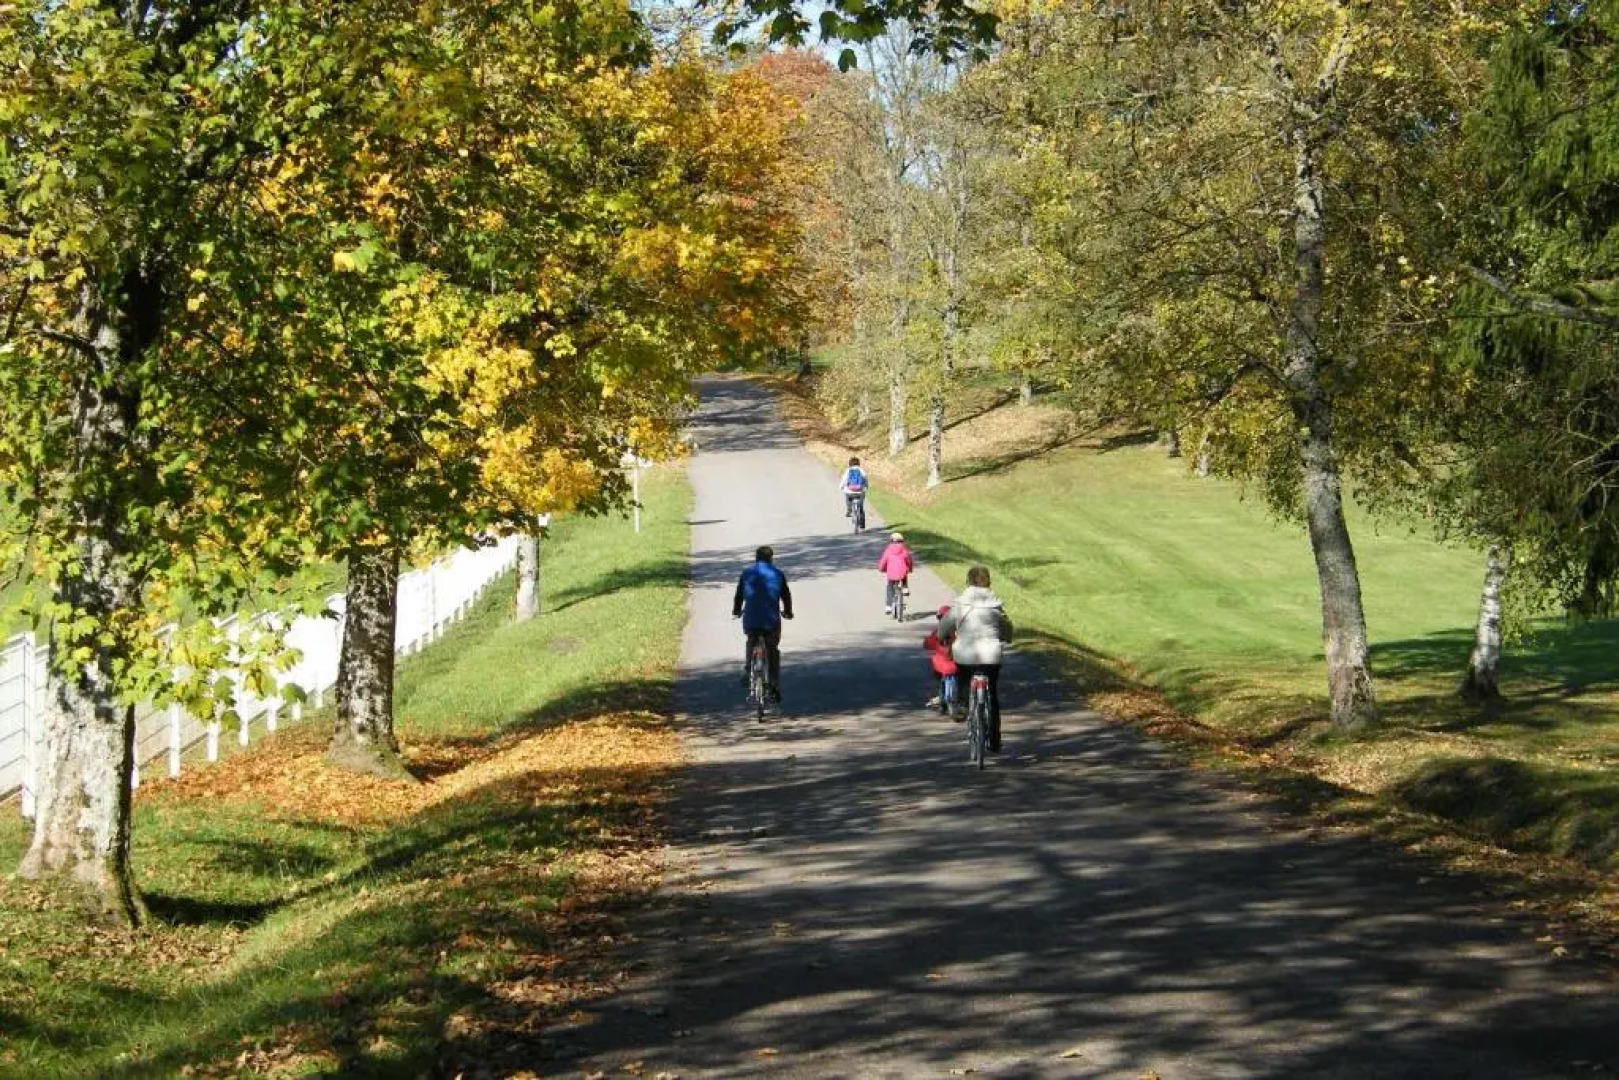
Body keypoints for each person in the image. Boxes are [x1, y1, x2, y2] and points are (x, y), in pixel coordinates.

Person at [938, 565, 1013, 751]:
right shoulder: (996, 605)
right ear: (988, 581)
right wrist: (1006, 637)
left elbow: (945, 625)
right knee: (993, 695)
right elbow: (1006, 627)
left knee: (963, 677)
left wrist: (942, 636)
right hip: (991, 656)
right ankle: (995, 741)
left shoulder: (961, 604)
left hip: (965, 654)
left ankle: (963, 705)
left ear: (968, 581)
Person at [732, 545, 793, 701]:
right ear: (771, 559)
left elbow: (739, 595)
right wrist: (788, 612)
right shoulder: (777, 573)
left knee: (751, 639)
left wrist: (736, 611)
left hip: (751, 619)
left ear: (756, 558)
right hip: (771, 620)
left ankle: (747, 668)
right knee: (772, 648)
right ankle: (773, 684)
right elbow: (786, 596)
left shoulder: (746, 573)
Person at [922, 604, 958, 714]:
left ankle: (941, 702)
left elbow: (928, 643)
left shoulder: (937, 632)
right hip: (956, 663)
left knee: (938, 679)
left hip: (941, 665)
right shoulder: (958, 632)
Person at [877, 530, 913, 614]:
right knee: (904, 572)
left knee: (889, 586)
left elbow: (883, 561)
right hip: (902, 573)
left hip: (891, 574)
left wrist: (881, 569)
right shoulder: (904, 550)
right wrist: (910, 569)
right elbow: (909, 561)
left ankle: (888, 606)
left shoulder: (888, 550)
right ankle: (905, 588)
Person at [839, 456, 868, 521]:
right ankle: (862, 521)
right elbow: (866, 480)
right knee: (861, 505)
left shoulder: (848, 470)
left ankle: (849, 511)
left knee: (848, 498)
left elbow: (844, 480)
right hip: (860, 491)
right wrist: (866, 487)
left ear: (850, 463)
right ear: (858, 463)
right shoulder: (862, 470)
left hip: (850, 491)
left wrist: (841, 487)